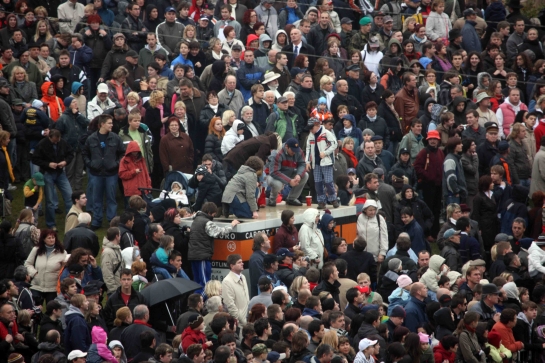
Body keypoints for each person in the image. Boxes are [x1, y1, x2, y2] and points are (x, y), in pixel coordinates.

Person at [82, 115, 125, 230]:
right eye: (109, 123)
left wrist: (116, 164)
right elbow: (85, 153)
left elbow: (122, 153)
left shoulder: (115, 138)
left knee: (111, 198)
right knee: (96, 198)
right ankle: (97, 221)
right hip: (96, 174)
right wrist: (90, 164)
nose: (112, 125)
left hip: (111, 173)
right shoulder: (91, 138)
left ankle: (112, 221)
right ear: (102, 124)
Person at [188, 202, 240, 291]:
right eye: (213, 214)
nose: (214, 216)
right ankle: (197, 303)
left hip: (193, 255)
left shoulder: (196, 219)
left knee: (197, 283)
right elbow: (219, 232)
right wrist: (232, 225)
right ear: (209, 212)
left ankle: (196, 302)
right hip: (202, 256)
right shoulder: (206, 222)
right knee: (205, 285)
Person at [31, 129, 73, 229]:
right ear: (49, 137)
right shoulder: (42, 144)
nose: (56, 142)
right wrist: (48, 164)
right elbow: (35, 159)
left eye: (57, 141)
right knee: (49, 201)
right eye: (54, 141)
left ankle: (71, 221)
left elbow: (70, 153)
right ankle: (51, 224)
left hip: (60, 173)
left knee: (69, 196)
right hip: (47, 173)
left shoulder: (62, 142)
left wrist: (65, 162)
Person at [24, 230, 67, 304]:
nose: (51, 240)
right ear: (43, 239)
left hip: (53, 287)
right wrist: (34, 273)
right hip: (36, 286)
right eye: (49, 238)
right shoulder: (36, 250)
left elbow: (64, 268)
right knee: (35, 309)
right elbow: (27, 264)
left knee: (51, 310)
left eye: (53, 237)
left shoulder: (62, 252)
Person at [305, 118, 339, 209]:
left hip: (326, 162)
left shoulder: (327, 133)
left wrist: (325, 152)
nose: (310, 130)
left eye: (312, 128)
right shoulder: (311, 135)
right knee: (318, 182)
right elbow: (308, 148)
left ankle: (333, 199)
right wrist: (307, 162)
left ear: (317, 126)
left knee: (328, 182)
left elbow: (334, 144)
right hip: (316, 163)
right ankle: (321, 201)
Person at [267, 138, 308, 206]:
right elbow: (274, 172)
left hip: (290, 173)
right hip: (274, 176)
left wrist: (299, 175)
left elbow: (302, 164)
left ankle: (291, 199)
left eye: (296, 150)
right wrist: (289, 181)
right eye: (292, 150)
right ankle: (272, 200)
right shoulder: (277, 153)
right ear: (286, 146)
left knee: (305, 175)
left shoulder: (299, 151)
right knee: (278, 184)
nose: (294, 152)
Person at [222, 254, 250, 325]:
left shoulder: (243, 277)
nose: (242, 264)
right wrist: (239, 319)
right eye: (239, 262)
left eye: (242, 262)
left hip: (248, 317)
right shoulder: (227, 281)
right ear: (232, 266)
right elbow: (230, 304)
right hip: (239, 322)